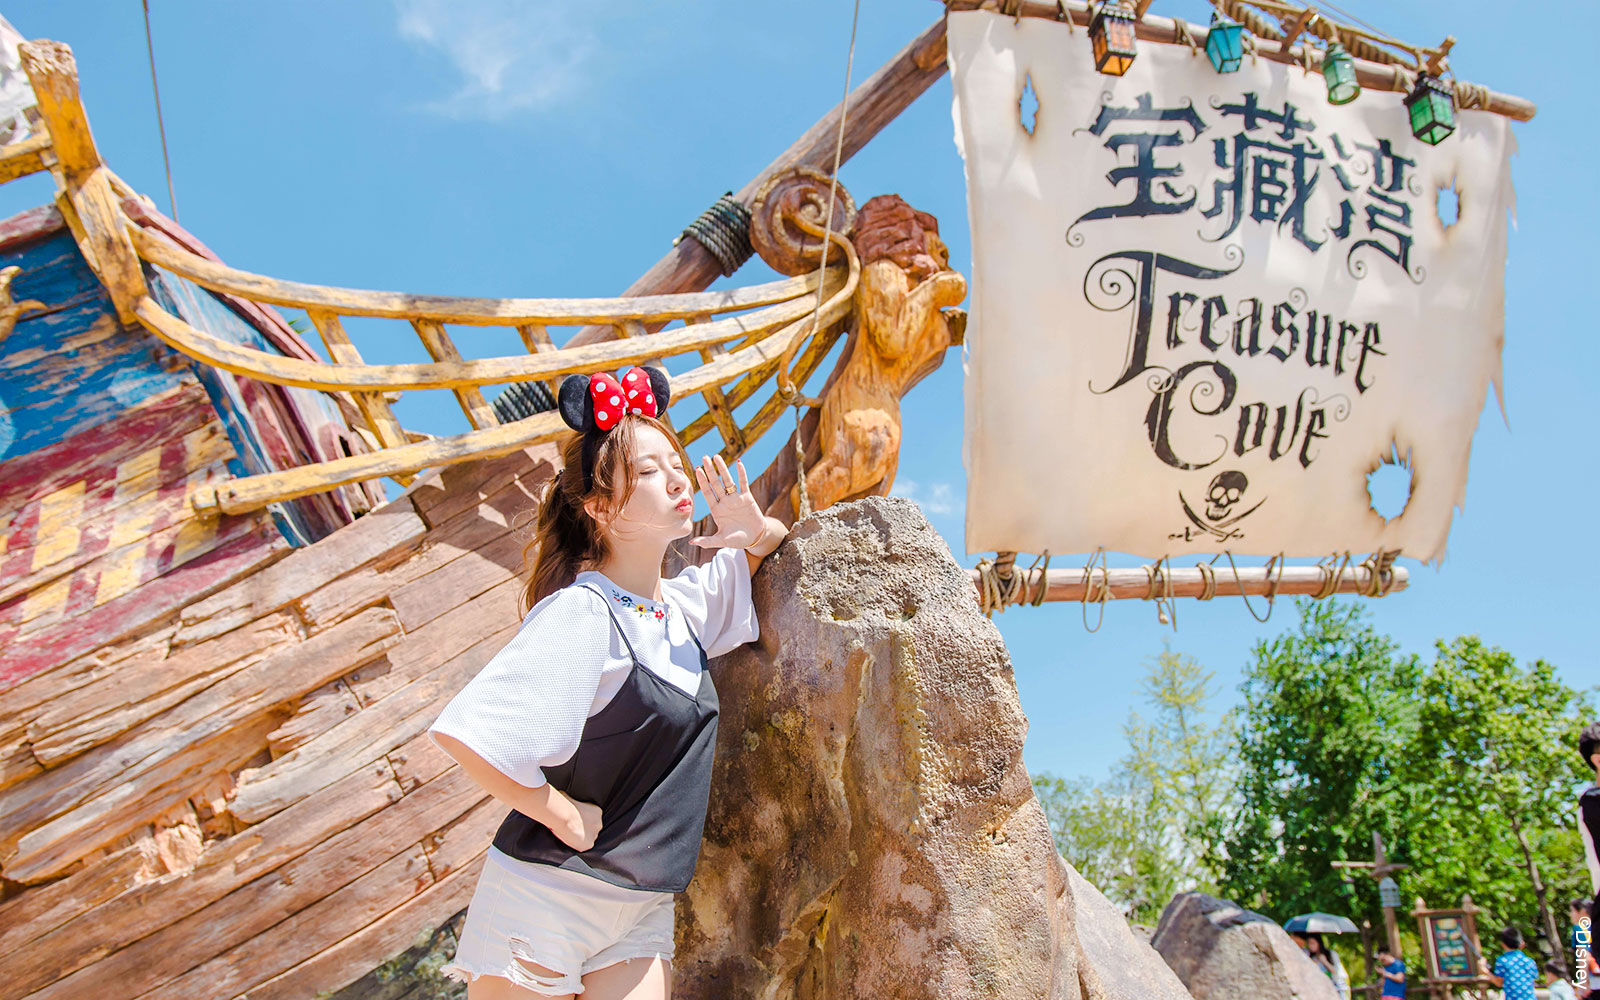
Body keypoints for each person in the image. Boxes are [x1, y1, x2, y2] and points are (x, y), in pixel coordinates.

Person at [427, 367, 789, 1000]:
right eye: (647, 472)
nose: (676, 478)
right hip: (548, 895)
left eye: (674, 462)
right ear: (599, 508)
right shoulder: (583, 611)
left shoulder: (683, 610)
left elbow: (768, 548)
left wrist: (753, 531)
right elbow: (469, 733)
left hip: (642, 904)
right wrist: (560, 813)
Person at [1486, 926, 1540, 1000]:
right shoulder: (1530, 961)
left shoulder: (1502, 961)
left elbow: (1499, 983)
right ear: (1521, 943)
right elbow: (1532, 983)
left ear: (1503, 944)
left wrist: (1485, 970)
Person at [1305, 933, 1351, 1000]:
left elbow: (1336, 971)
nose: (1311, 946)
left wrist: (1325, 962)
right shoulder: (1312, 958)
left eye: (1313, 943)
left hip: (1338, 986)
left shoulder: (1331, 954)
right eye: (1309, 943)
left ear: (1319, 943)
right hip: (1323, 989)